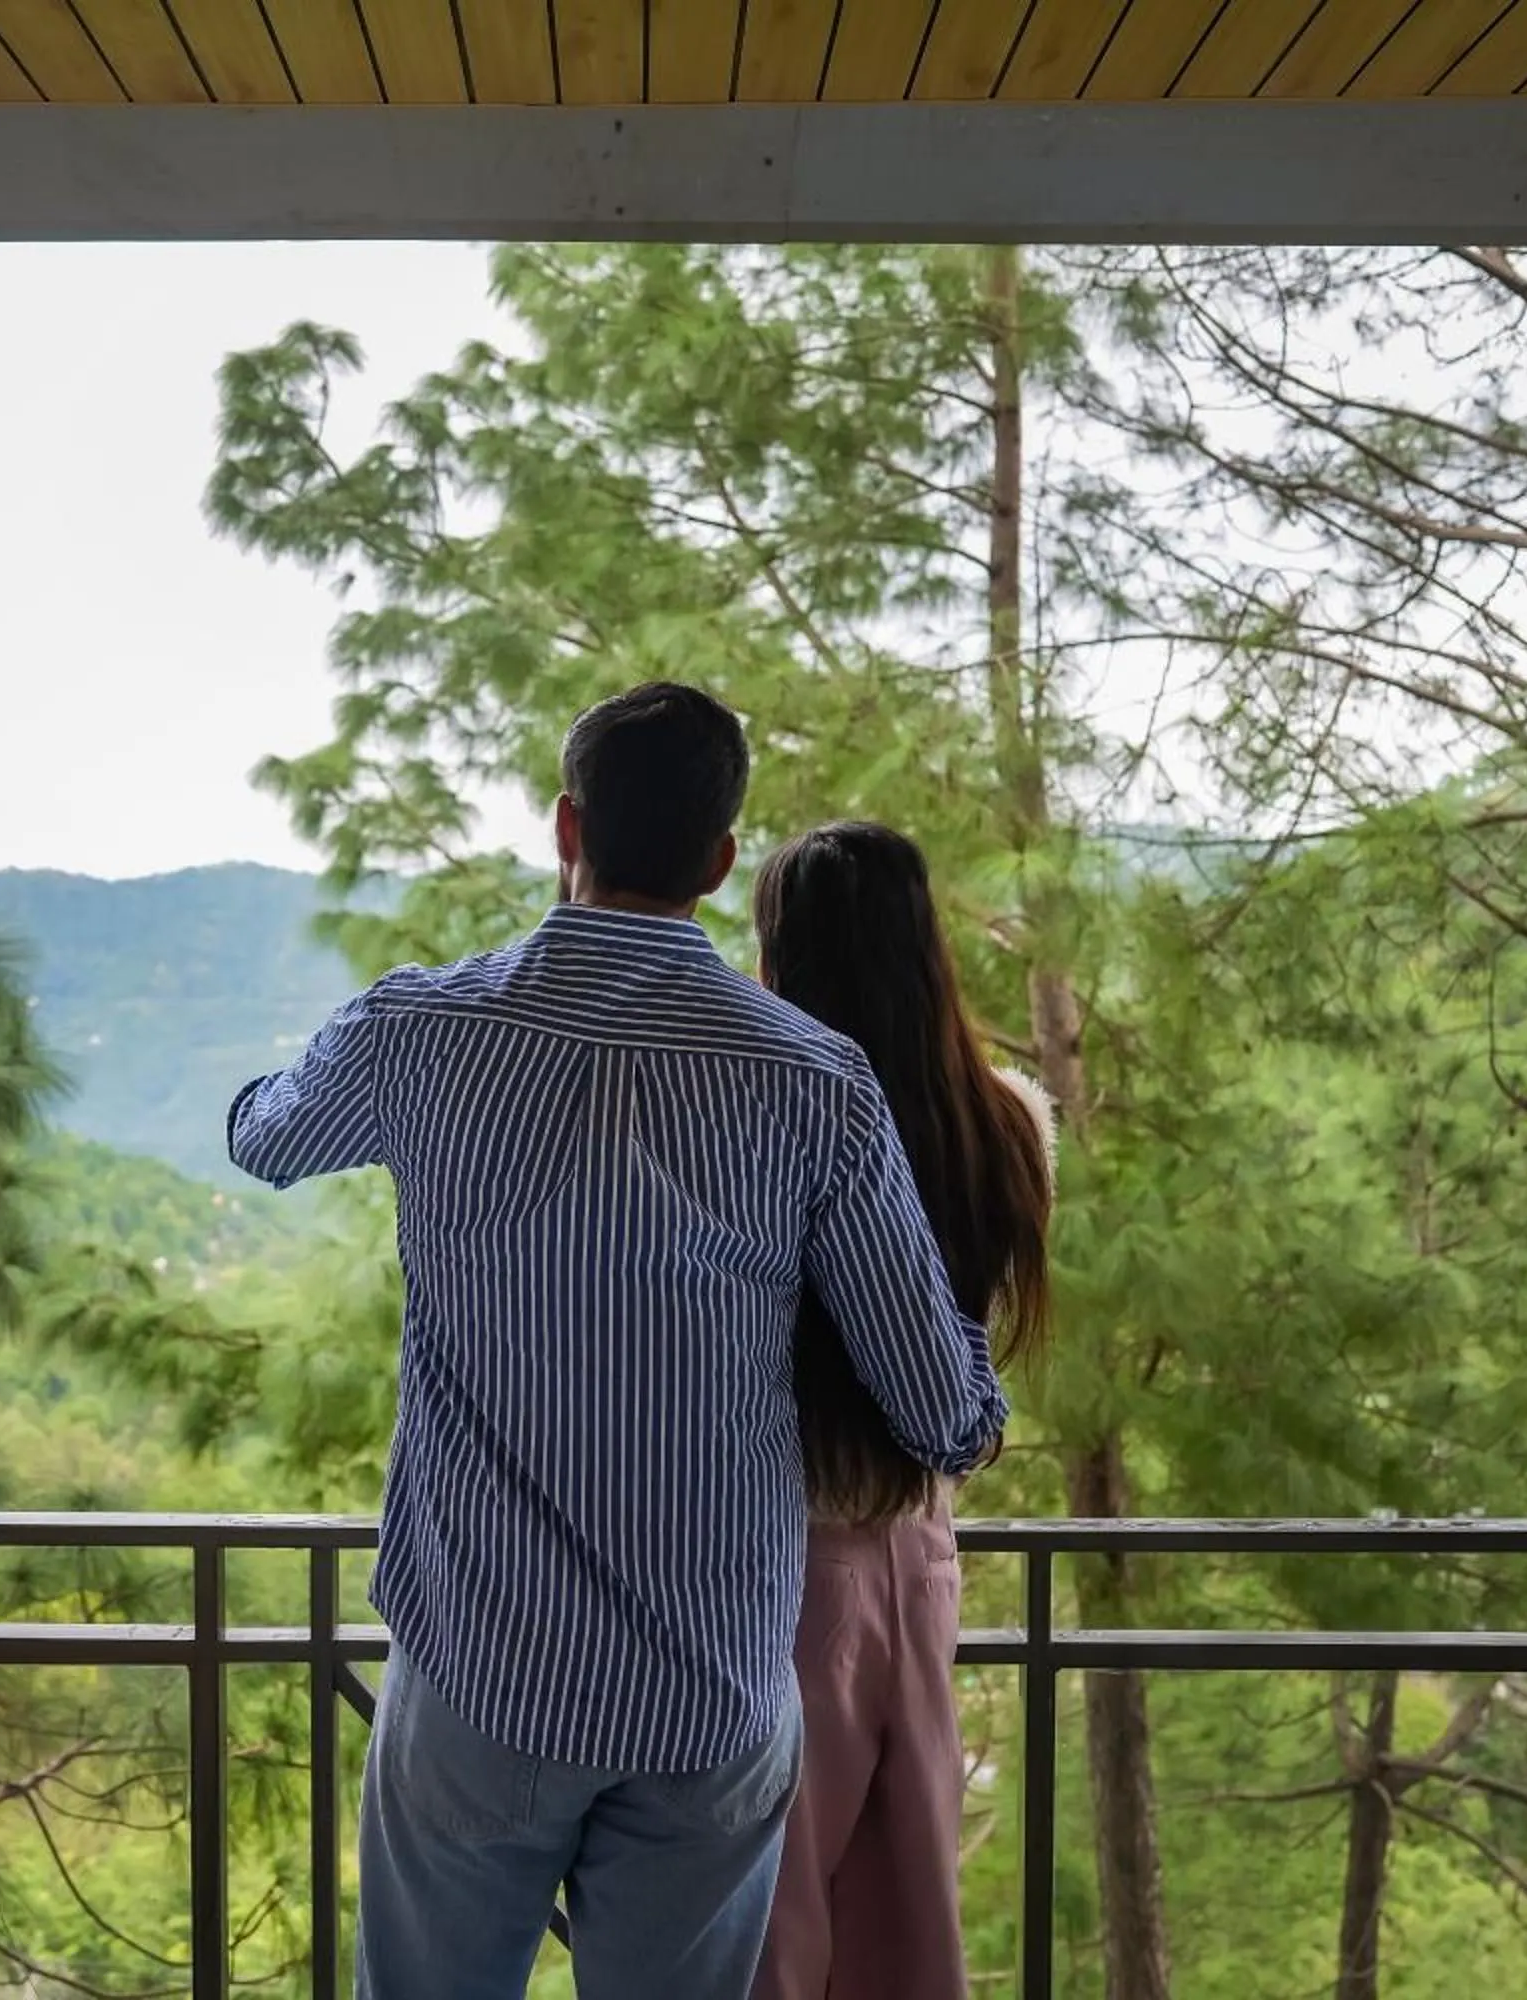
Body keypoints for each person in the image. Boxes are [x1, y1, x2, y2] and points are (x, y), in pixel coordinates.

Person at [229, 685, 1010, 2000]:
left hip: (478, 1677)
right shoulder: (817, 1082)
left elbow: (267, 1138)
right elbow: (946, 1419)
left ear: (563, 826)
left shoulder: (424, 1028)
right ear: (719, 859)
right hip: (711, 1700)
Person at [747, 821, 1057, 2000]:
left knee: (765, 1934)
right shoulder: (1012, 1121)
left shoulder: (769, 1123)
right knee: (905, 1923)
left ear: (785, 958)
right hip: (923, 1556)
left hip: (773, 1565)